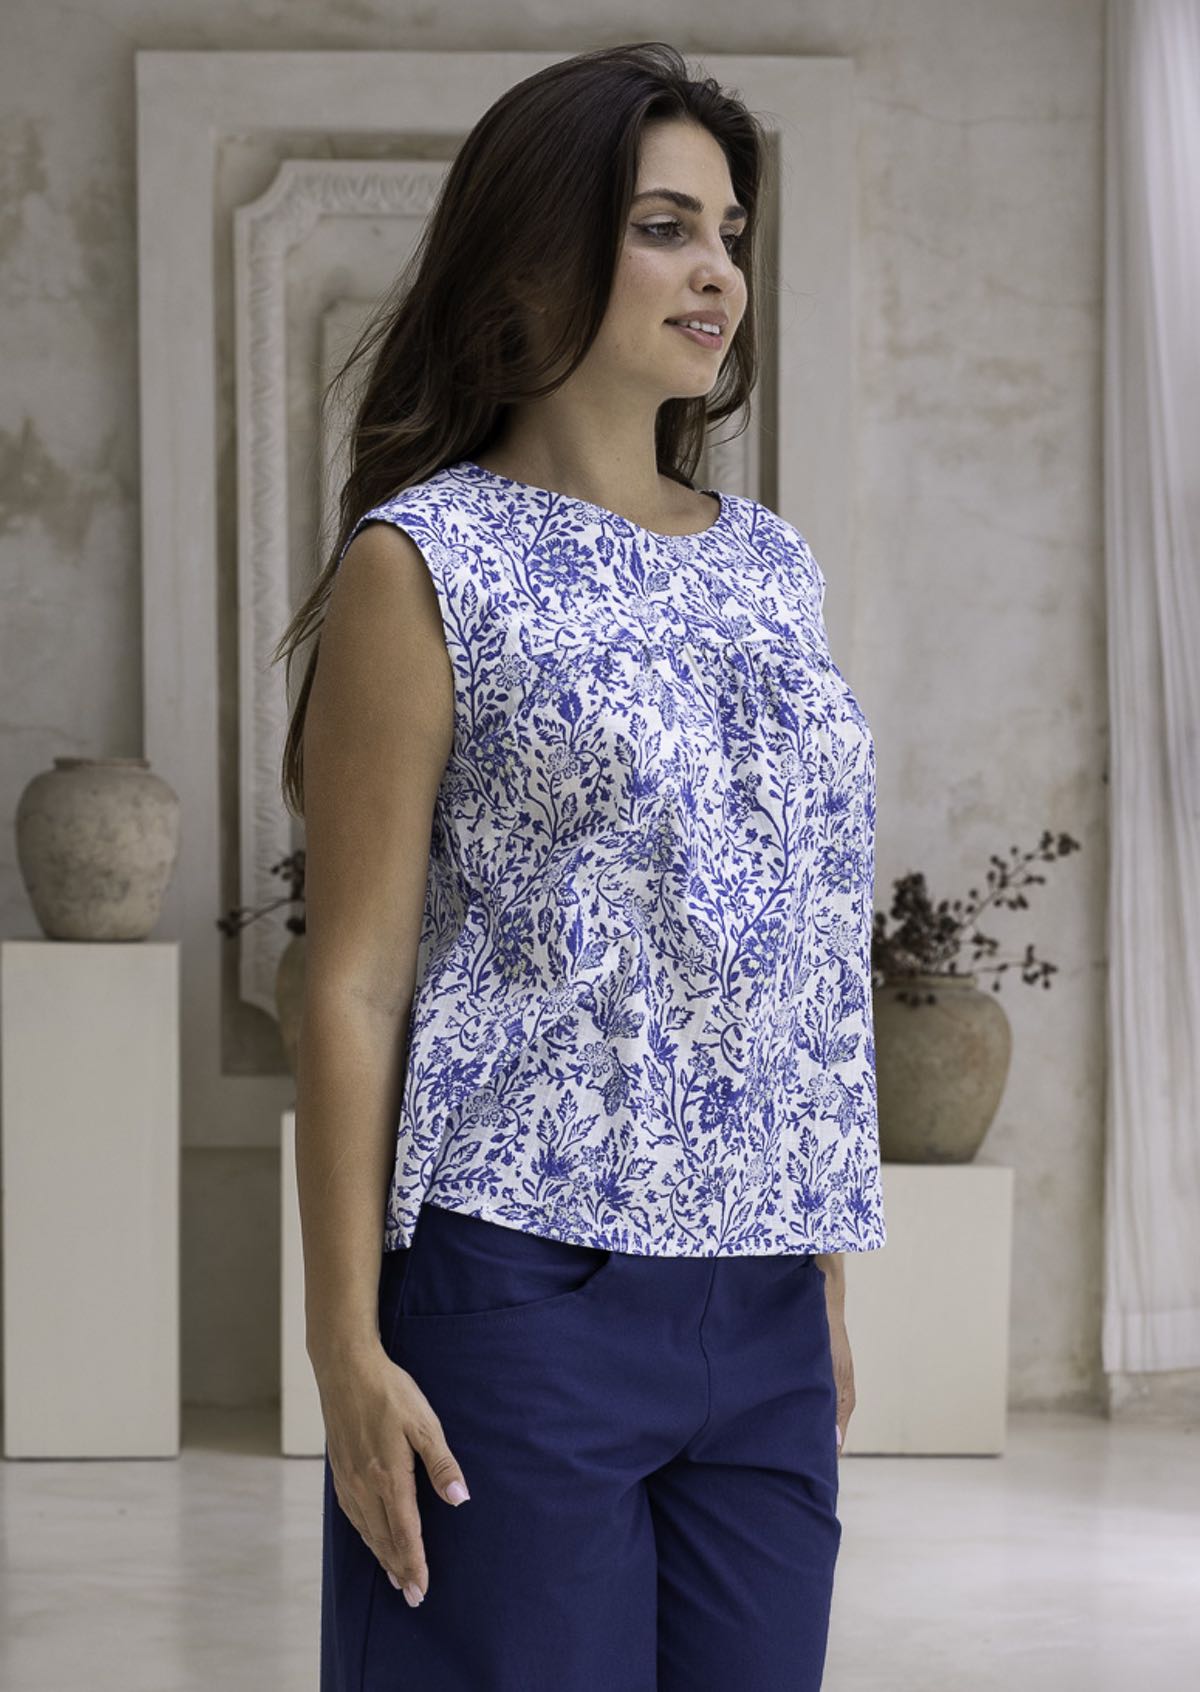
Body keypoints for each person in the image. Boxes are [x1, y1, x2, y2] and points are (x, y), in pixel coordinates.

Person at [274, 40, 886, 1692]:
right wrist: (343, 1341)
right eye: (665, 227)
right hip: (520, 1285)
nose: (718, 273)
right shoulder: (426, 560)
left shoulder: (772, 565)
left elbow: (791, 941)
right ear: (536, 255)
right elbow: (355, 977)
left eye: (730, 235)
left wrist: (814, 1264)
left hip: (760, 1300)